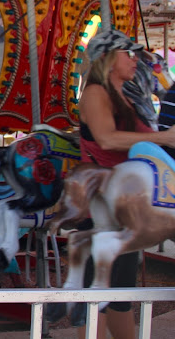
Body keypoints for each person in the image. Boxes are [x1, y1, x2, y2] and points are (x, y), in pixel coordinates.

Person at [76, 29, 175, 339]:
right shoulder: (95, 93)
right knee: (96, 295)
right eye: (127, 54)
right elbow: (106, 137)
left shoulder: (127, 96)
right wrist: (161, 138)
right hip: (106, 200)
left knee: (119, 294)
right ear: (106, 58)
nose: (135, 60)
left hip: (133, 202)